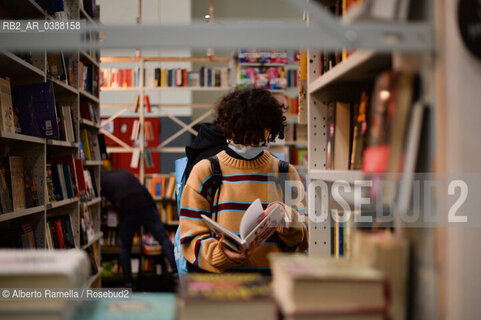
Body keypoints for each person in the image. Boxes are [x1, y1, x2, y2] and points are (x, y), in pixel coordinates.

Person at [179, 87, 307, 277]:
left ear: (270, 129)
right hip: (223, 290)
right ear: (229, 129)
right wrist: (222, 254)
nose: (250, 141)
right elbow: (190, 239)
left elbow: (303, 237)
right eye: (244, 133)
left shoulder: (285, 172)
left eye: (258, 133)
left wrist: (286, 217)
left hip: (273, 288)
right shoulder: (205, 171)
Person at [101, 167, 177, 287]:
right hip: (146, 203)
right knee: (163, 239)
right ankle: (176, 272)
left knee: (125, 247)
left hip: (128, 210)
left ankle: (128, 282)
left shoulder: (102, 183)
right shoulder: (123, 171)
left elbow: (107, 203)